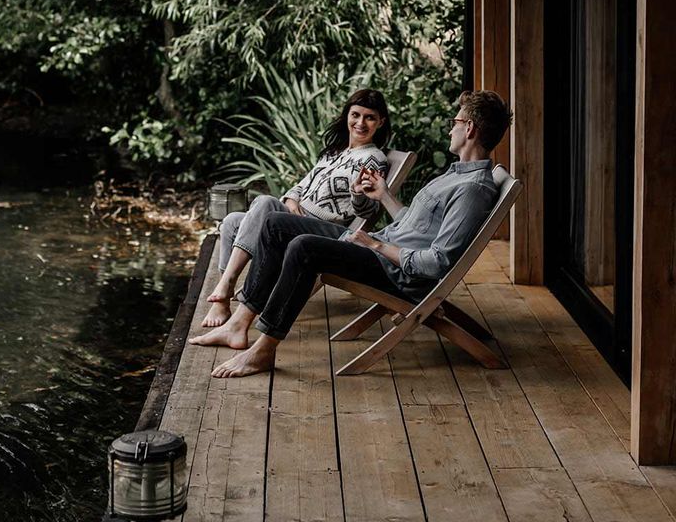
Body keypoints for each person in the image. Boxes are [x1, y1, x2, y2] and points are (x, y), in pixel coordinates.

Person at [189, 89, 513, 378]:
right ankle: (239, 323)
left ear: (469, 128)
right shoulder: (454, 176)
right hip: (381, 251)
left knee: (304, 247)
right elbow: (413, 227)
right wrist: (384, 195)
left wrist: (374, 243)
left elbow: (437, 263)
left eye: (456, 121)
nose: (450, 127)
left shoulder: (472, 189)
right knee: (275, 222)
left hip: (394, 271)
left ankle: (264, 349)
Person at [200, 88, 391, 327]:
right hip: (294, 216)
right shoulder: (335, 152)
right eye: (356, 115)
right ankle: (222, 303)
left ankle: (227, 283)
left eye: (369, 117)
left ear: (380, 122)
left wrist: (356, 193)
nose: (360, 123)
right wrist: (291, 200)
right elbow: (300, 186)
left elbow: (368, 211)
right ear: (347, 116)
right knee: (231, 222)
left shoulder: (373, 160)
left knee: (265, 202)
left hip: (320, 228)